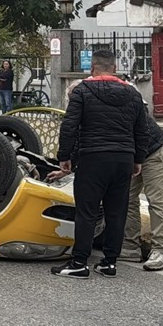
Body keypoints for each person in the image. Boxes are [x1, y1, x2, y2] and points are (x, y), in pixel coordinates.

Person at [50, 49, 149, 279]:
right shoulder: (133, 93)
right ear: (114, 68)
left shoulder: (83, 90)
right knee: (117, 212)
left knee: (87, 212)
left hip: (93, 157)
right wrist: (138, 159)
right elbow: (141, 129)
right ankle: (109, 262)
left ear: (92, 68)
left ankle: (79, 262)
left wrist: (65, 157)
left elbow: (69, 126)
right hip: (123, 158)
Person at [121, 112, 163, 271]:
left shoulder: (128, 102)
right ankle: (130, 246)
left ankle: (161, 251)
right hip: (133, 154)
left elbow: (142, 131)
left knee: (155, 200)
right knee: (127, 198)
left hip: (153, 151)